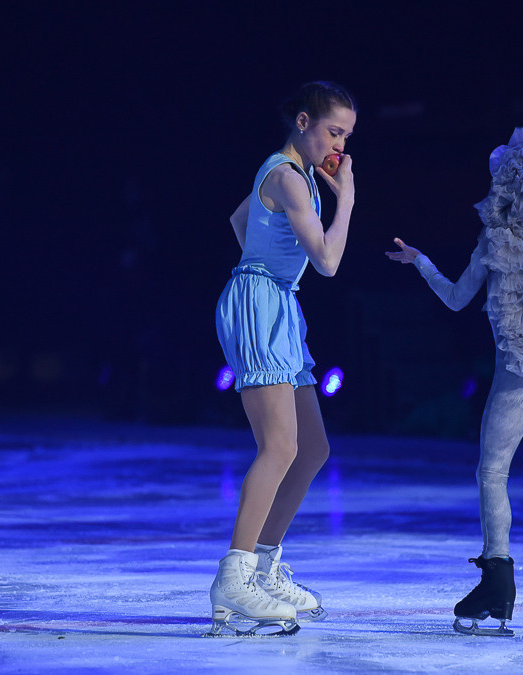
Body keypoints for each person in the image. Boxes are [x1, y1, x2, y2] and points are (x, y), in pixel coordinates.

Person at [386, 127, 523, 635]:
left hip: (519, 368)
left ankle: (497, 583)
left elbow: (456, 298)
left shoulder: (497, 238)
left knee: (492, 472)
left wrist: (420, 262)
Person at [207, 81, 356, 637]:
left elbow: (241, 221)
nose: (339, 144)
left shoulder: (283, 176)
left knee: (312, 448)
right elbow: (327, 261)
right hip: (260, 305)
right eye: (333, 131)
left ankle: (264, 567)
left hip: (277, 306)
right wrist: (347, 203)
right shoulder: (291, 178)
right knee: (281, 446)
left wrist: (263, 264)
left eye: (346, 135)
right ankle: (234, 577)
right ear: (303, 122)